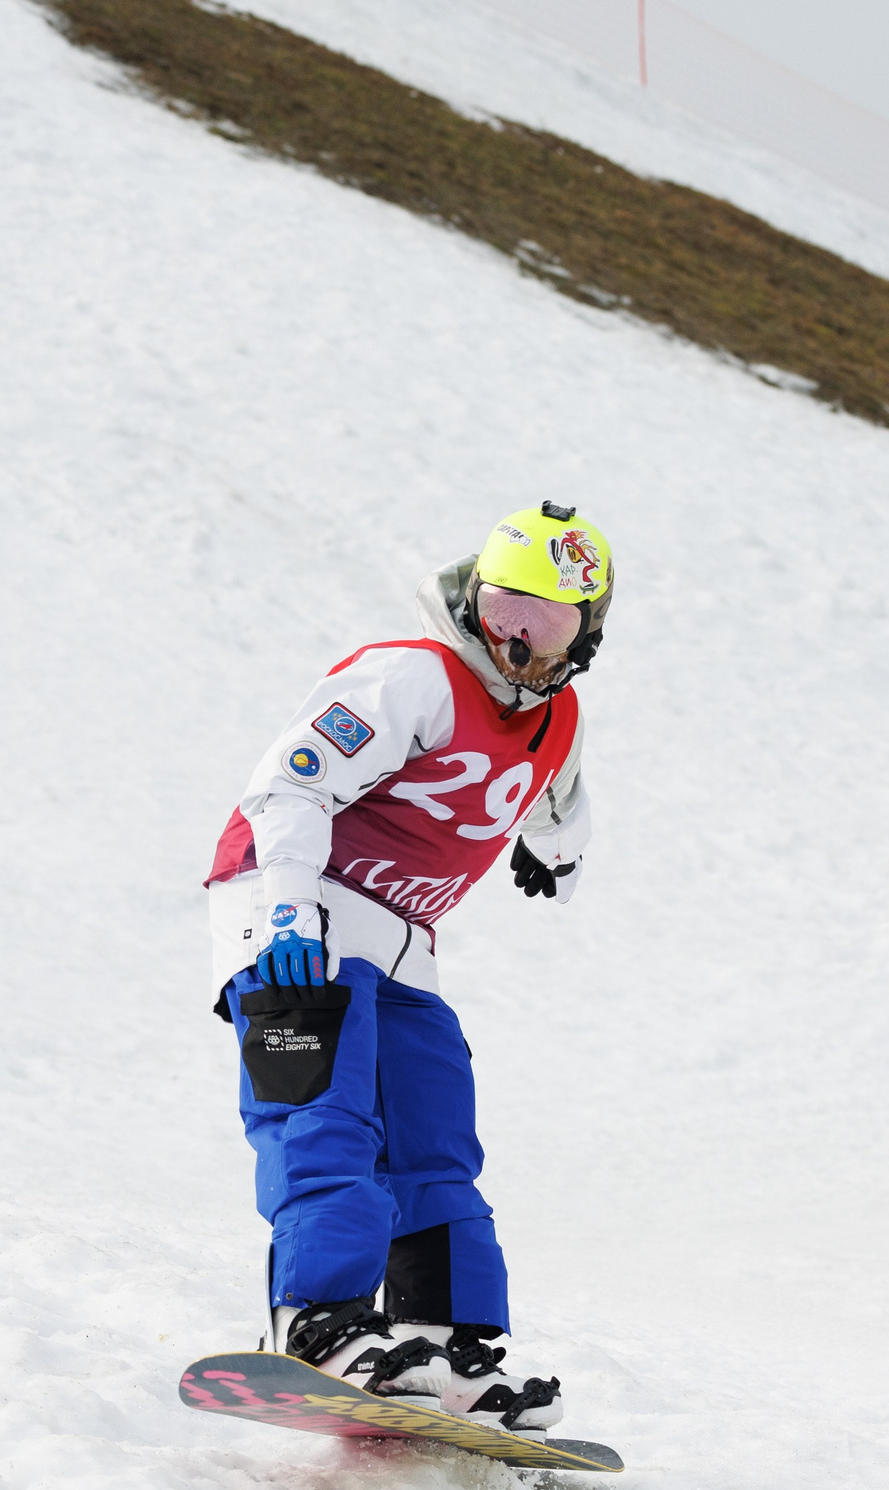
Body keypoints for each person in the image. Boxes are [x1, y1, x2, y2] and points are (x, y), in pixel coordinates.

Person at [203, 502, 614, 1436]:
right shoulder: (414, 675)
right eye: (508, 609)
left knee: (433, 1134)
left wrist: (555, 852)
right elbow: (290, 782)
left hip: (400, 940)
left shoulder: (558, 716)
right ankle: (320, 1322)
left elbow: (560, 799)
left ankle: (445, 1344)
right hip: (294, 908)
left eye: (548, 624)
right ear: (474, 593)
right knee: (324, 1113)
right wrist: (287, 907)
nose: (520, 641)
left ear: (586, 634)